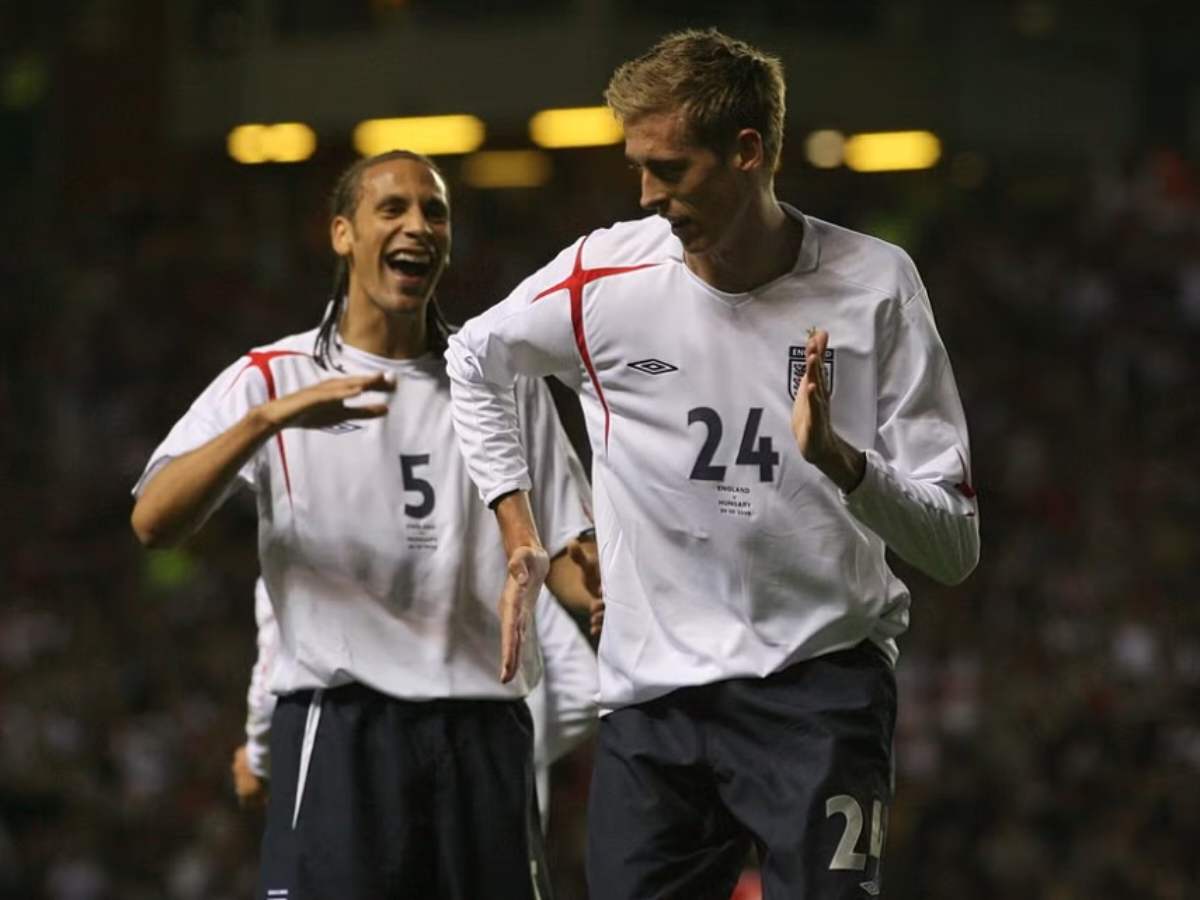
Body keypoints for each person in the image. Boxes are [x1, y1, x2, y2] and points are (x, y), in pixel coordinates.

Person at [445, 28, 980, 900]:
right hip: (654, 705)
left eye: (672, 168)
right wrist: (522, 528)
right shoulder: (599, 280)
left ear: (748, 152)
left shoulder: (877, 285)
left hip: (819, 690)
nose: (649, 195)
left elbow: (955, 545)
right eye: (639, 169)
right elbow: (472, 361)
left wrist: (844, 465)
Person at [131, 149, 600, 899]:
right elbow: (153, 521)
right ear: (342, 234)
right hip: (341, 728)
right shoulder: (272, 377)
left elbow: (571, 562)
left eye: (434, 211)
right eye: (394, 209)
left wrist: (610, 594)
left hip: (483, 729)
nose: (418, 225)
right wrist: (267, 423)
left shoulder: (500, 384)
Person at [231, 576, 599, 833]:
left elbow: (277, 652)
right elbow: (585, 690)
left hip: (379, 810)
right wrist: (503, 757)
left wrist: (259, 756)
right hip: (504, 823)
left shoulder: (327, 524)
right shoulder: (504, 548)